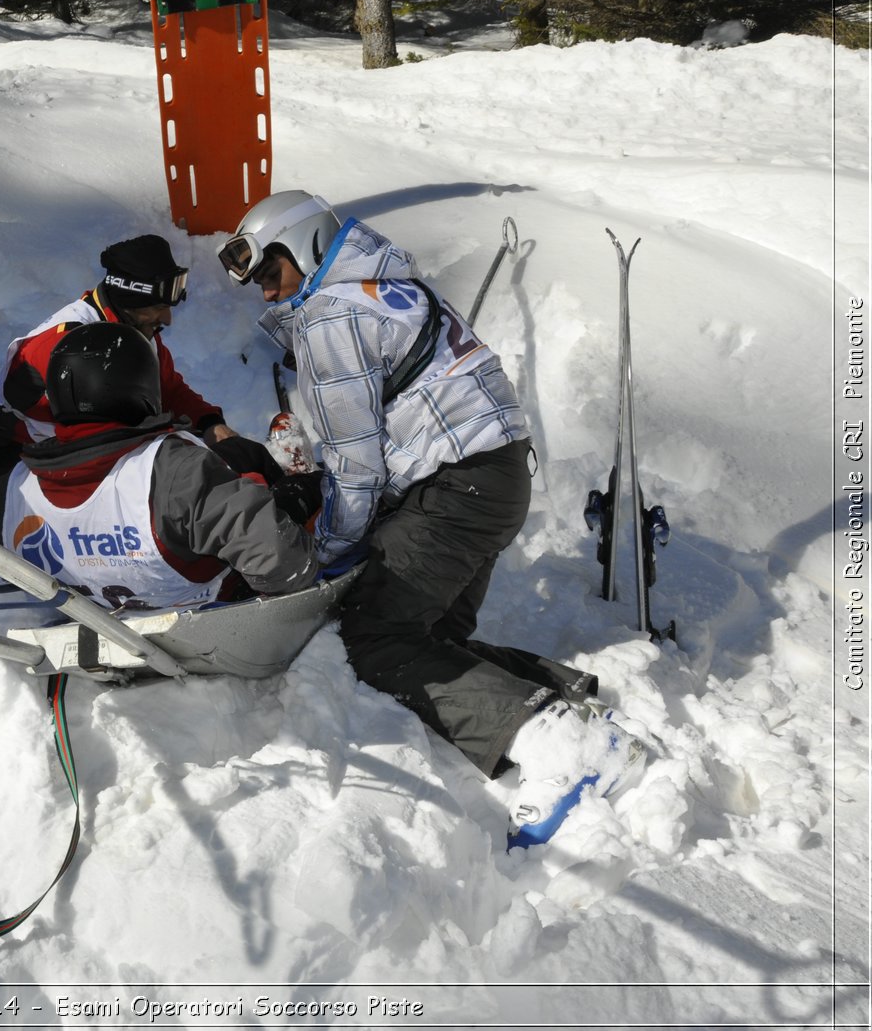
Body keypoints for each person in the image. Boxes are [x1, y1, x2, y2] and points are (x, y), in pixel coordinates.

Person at [219, 190, 645, 847]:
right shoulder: (379, 285)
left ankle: (567, 752)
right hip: (491, 476)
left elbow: (355, 470)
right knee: (427, 635)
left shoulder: (330, 317)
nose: (268, 294)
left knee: (373, 636)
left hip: (455, 488)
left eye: (270, 275)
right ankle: (561, 699)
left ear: (301, 248)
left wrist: (319, 557)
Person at [0, 234, 279, 536]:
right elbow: (91, 437)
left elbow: (168, 389)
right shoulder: (63, 347)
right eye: (158, 307)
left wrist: (210, 423)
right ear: (130, 298)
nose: (167, 319)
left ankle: (285, 515)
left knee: (237, 455)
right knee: (179, 493)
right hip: (17, 470)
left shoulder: (135, 331)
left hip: (74, 461)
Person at [0, 323, 318, 611]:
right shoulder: (174, 471)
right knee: (302, 486)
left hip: (114, 600)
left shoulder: (12, 491)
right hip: (212, 600)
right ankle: (296, 478)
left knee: (236, 455)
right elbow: (285, 564)